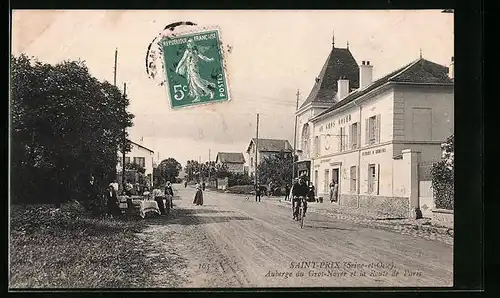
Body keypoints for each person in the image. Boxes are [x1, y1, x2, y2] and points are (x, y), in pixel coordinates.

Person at [175, 38, 215, 102]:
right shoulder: (187, 51)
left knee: (197, 82)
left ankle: (210, 91)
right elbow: (183, 59)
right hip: (189, 69)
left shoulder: (195, 51)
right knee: (193, 84)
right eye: (188, 43)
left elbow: (202, 57)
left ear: (193, 44)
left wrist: (209, 59)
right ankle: (198, 97)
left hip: (194, 69)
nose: (188, 44)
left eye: (190, 43)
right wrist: (178, 67)